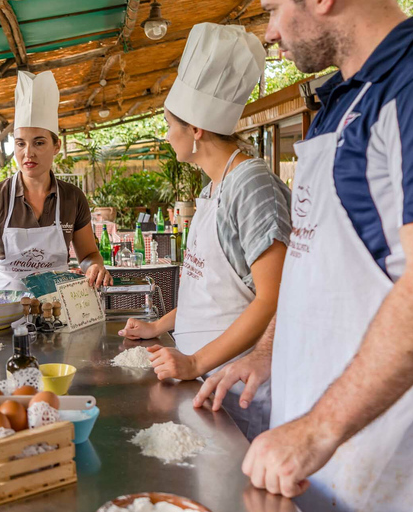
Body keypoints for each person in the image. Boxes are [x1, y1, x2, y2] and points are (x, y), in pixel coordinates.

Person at [194, 1, 413, 509]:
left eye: (274, 8)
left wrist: (318, 430)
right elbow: (312, 264)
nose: (269, 30)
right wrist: (266, 355)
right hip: (309, 465)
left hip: (386, 469)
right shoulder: (336, 105)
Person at [118, 23, 291, 441]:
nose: (165, 135)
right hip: (206, 383)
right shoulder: (213, 187)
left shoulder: (252, 186)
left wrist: (194, 363)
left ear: (195, 129)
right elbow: (210, 290)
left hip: (242, 390)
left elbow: (274, 297)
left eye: (169, 124)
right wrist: (159, 326)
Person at [0, 70, 111, 302]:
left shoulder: (72, 197)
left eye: (39, 143)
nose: (28, 153)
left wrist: (94, 266)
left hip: (58, 306)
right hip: (5, 307)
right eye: (20, 144)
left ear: (56, 145)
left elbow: (88, 254)